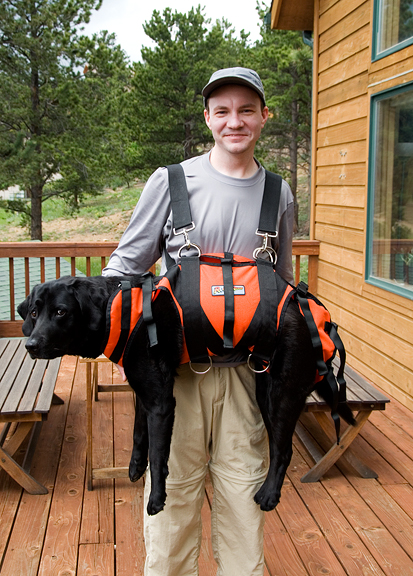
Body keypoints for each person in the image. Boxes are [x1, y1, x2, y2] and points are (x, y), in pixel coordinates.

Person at [103, 67, 294, 576]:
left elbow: (283, 287)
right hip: (175, 377)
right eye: (223, 111)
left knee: (244, 492)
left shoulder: (280, 193)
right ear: (207, 117)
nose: (236, 121)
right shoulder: (170, 181)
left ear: (263, 117)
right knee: (172, 494)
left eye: (247, 110)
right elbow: (124, 267)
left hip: (248, 376)